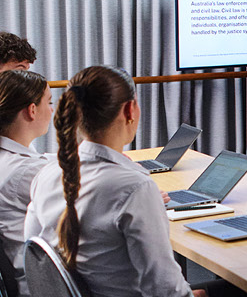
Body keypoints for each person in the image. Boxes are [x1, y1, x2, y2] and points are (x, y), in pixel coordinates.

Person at [23, 66, 192, 296]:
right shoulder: (135, 187)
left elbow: (33, 252)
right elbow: (165, 289)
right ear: (129, 110)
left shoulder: (46, 174)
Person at [0, 70, 50, 296]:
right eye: (49, 103)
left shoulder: (11, 155)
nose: (51, 110)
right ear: (32, 110)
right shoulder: (27, 171)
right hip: (41, 284)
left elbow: (43, 160)